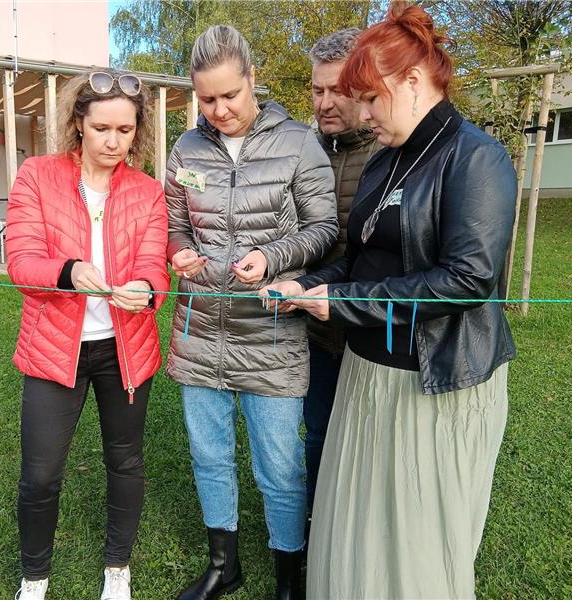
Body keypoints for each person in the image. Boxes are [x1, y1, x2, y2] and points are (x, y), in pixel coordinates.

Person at [261, 2, 517, 597]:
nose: (362, 113)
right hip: (368, 376)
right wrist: (309, 284)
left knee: (414, 544)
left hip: (435, 385)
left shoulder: (476, 158)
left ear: (411, 80)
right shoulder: (384, 164)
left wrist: (345, 301)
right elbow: (359, 256)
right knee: (355, 530)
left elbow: (467, 279)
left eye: (371, 98)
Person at [166, 24, 337, 600]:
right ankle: (224, 566)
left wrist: (273, 257)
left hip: (271, 335)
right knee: (209, 456)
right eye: (206, 99)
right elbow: (174, 223)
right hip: (200, 331)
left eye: (229, 96)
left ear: (252, 80)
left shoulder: (298, 142)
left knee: (279, 468)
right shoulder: (185, 149)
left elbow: (324, 229)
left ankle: (290, 576)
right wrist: (178, 254)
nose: (218, 110)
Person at [5, 70, 169, 600]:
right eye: (102, 128)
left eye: (125, 130)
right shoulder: (36, 175)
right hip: (56, 350)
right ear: (78, 123)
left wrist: (145, 287)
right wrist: (70, 271)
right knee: (41, 473)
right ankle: (34, 577)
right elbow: (22, 262)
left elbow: (155, 265)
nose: (113, 141)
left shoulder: (147, 192)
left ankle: (117, 567)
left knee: (125, 462)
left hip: (125, 348)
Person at [304, 28, 380, 518]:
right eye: (317, 90)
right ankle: (314, 528)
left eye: (339, 89)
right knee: (317, 433)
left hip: (372, 331)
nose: (326, 102)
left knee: (369, 446)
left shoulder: (390, 153)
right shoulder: (304, 151)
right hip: (315, 328)